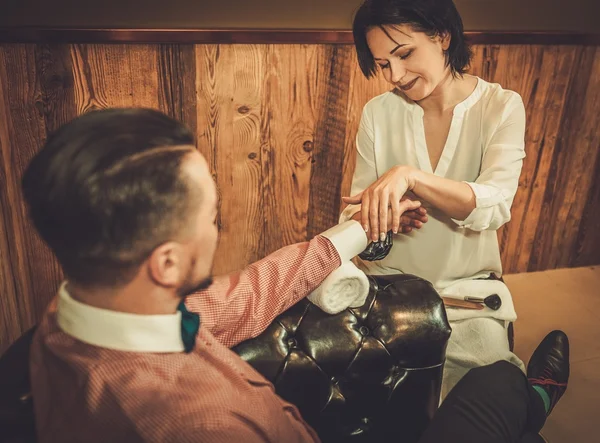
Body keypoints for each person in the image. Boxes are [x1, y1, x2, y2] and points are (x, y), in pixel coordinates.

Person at [23, 109, 568, 442]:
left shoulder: (81, 309)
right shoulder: (203, 427)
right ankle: (534, 405)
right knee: (497, 385)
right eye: (212, 216)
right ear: (166, 263)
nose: (217, 227)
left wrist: (360, 228)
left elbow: (248, 293)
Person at [341, 0, 527, 396]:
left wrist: (409, 176)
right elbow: (355, 211)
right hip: (388, 294)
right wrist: (376, 221)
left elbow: (493, 205)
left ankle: (536, 393)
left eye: (404, 54)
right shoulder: (378, 113)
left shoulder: (501, 106)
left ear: (442, 36)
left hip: (464, 294)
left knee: (488, 395)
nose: (395, 75)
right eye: (382, 63)